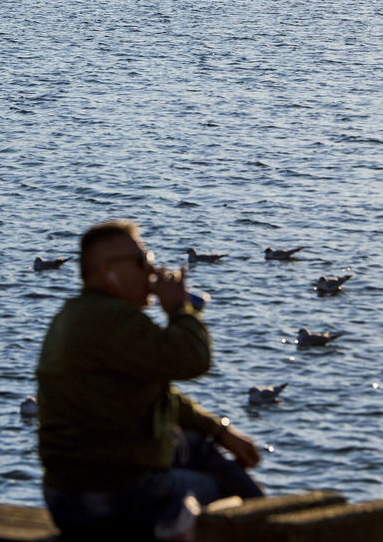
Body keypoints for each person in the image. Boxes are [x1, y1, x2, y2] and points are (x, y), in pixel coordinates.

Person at [36, 220, 264, 541]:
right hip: (105, 498)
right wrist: (179, 309)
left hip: (67, 493)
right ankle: (271, 526)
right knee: (224, 489)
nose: (152, 271)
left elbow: (160, 394)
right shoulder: (112, 320)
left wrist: (220, 430)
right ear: (106, 270)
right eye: (141, 261)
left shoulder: (78, 314)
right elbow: (192, 358)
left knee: (199, 446)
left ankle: (267, 519)